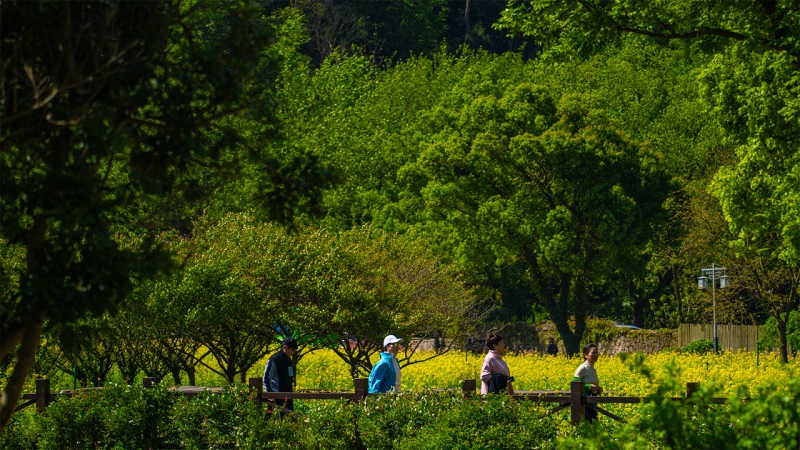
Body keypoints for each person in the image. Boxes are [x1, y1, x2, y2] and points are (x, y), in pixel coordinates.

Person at [262, 336, 297, 413]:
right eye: (293, 349)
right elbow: (266, 378)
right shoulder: (275, 359)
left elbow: (290, 377)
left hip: (288, 396)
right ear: (285, 347)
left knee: (289, 418)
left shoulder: (289, 360)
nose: (294, 352)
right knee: (271, 418)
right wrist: (270, 394)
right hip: (276, 397)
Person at [571, 343, 603, 423]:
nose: (595, 355)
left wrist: (598, 389)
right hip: (584, 401)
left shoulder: (593, 369)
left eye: (596, 353)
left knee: (593, 422)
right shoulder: (582, 368)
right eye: (593, 353)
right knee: (588, 422)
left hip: (592, 399)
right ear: (585, 355)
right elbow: (574, 383)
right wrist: (589, 387)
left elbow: (591, 383)